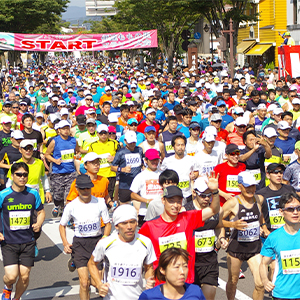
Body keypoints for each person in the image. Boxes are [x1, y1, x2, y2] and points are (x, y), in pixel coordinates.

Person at [139, 174, 220, 285]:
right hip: (161, 285)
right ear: (163, 200)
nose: (175, 205)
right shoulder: (149, 226)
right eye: (171, 201)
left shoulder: (188, 218)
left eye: (179, 201)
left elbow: (213, 210)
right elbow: (141, 256)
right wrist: (148, 278)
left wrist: (214, 191)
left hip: (185, 282)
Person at [88, 204, 156, 300]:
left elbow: (149, 267)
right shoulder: (106, 243)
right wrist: (99, 285)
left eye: (132, 222)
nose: (129, 227)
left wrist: (149, 280)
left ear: (136, 223)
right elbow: (91, 263)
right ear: (116, 226)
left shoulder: (146, 242)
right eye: (124, 223)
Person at [59, 174, 111, 300]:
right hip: (80, 244)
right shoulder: (71, 206)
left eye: (88, 188)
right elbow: (62, 225)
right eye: (82, 189)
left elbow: (108, 224)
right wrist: (65, 243)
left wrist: (104, 237)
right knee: (84, 282)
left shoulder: (99, 202)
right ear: (77, 189)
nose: (86, 191)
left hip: (96, 242)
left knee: (97, 282)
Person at [0, 162, 45, 300]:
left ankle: (16, 298)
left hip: (28, 241)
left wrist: (39, 222)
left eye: (25, 175)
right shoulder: (3, 194)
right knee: (11, 276)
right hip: (9, 242)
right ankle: (7, 288)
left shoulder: (33, 194)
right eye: (19, 174)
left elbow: (41, 211)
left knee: (24, 276)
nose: (22, 177)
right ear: (12, 176)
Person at [222, 171, 265, 300]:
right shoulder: (233, 203)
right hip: (236, 248)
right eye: (247, 186)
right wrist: (233, 225)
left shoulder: (259, 199)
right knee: (233, 281)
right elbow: (217, 221)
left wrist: (263, 227)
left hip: (255, 249)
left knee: (260, 283)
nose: (251, 190)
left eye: (253, 186)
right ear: (239, 186)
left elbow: (260, 215)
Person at [184, 177, 228, 300]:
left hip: (210, 261)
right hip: (191, 262)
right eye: (203, 195)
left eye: (209, 195)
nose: (207, 199)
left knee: (209, 296)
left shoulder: (218, 210)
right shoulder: (185, 211)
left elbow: (219, 227)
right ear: (194, 193)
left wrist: (222, 238)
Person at [256, 163, 295, 280]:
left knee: (288, 266)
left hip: (289, 232)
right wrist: (263, 226)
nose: (279, 175)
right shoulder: (261, 194)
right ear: (268, 175)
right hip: (271, 234)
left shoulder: (289, 189)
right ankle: (274, 291)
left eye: (281, 172)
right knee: (274, 268)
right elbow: (258, 213)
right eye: (275, 172)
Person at [260, 192, 300, 300]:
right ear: (281, 212)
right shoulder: (274, 238)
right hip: (282, 294)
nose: (295, 212)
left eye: (298, 208)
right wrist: (265, 281)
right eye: (291, 209)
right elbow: (264, 263)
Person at [139, 248, 206, 300]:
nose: (182, 272)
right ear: (162, 270)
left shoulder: (195, 291)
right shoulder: (149, 296)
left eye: (185, 266)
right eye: (176, 267)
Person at [45, 120, 79, 217]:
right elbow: (47, 154)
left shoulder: (73, 140)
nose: (66, 130)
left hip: (71, 172)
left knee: (70, 194)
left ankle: (67, 211)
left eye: (67, 128)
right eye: (63, 128)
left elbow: (77, 150)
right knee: (58, 194)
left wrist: (80, 153)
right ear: (59, 130)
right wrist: (55, 161)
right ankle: (58, 205)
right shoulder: (54, 141)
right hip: (57, 172)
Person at [161, 135, 199, 203]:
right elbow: (162, 175)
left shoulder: (192, 159)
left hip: (188, 194)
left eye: (182, 145)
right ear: (173, 147)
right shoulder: (167, 161)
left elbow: (196, 172)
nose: (180, 147)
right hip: (172, 194)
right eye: (178, 145)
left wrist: (194, 175)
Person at [130, 149, 162, 226]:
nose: (155, 162)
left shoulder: (163, 174)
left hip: (161, 212)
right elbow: (132, 195)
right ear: (145, 160)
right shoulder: (140, 176)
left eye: (156, 160)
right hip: (145, 213)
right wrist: (146, 200)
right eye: (152, 160)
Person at [88, 124, 120, 200]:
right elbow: (89, 160)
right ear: (97, 134)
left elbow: (122, 157)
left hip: (111, 174)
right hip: (98, 175)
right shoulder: (92, 145)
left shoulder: (114, 143)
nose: (103, 135)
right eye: (101, 133)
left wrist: (114, 158)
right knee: (99, 195)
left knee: (110, 196)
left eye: (105, 133)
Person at [111, 131, 143, 203]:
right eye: (130, 142)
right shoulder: (120, 152)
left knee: (137, 205)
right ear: (125, 141)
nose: (132, 144)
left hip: (138, 184)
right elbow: (112, 167)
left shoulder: (140, 150)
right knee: (124, 204)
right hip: (125, 185)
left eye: (134, 142)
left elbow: (142, 163)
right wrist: (122, 169)